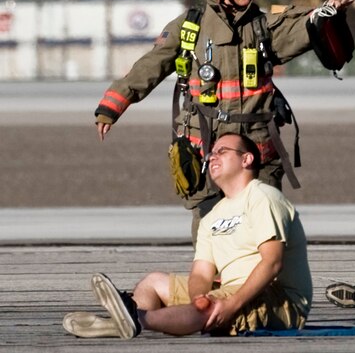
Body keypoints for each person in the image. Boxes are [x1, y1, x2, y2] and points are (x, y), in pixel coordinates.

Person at [93, 0, 355, 239]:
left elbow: (299, 32)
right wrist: (112, 106)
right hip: (205, 153)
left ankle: (261, 288)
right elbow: (150, 66)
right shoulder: (188, 27)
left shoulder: (263, 26)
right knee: (211, 239)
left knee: (266, 237)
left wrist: (323, 18)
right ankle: (201, 289)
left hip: (256, 152)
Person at [62, 133, 312, 339]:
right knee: (153, 282)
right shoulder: (212, 216)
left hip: (279, 299)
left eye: (222, 151)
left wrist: (232, 303)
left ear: (246, 159)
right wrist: (198, 297)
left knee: (213, 305)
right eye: (211, 152)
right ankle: (127, 321)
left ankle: (138, 318)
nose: (213, 156)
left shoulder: (263, 197)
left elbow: (272, 262)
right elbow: (202, 273)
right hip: (230, 289)